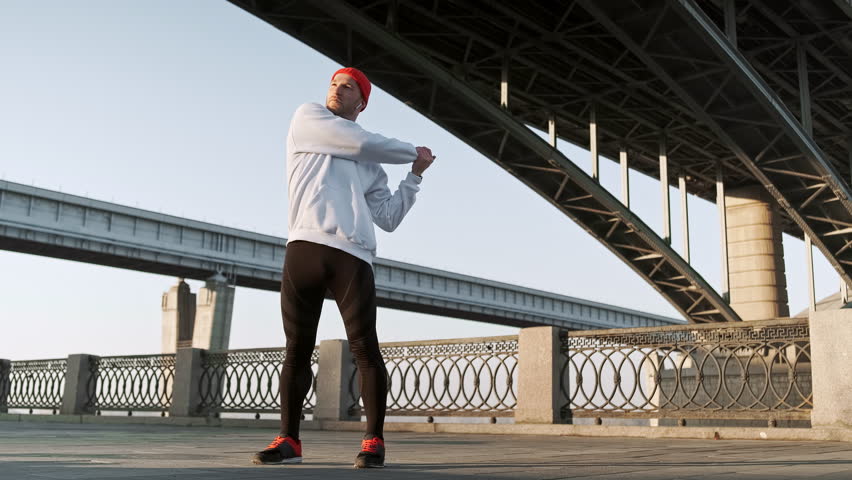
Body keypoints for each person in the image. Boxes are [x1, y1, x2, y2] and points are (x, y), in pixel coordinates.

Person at [251, 67, 435, 469]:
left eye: (347, 87)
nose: (337, 90)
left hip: (353, 255)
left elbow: (387, 216)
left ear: (362, 102)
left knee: (365, 348)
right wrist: (412, 151)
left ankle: (373, 442)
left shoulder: (371, 163)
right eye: (334, 84)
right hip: (304, 245)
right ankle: (289, 441)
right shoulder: (309, 118)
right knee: (297, 349)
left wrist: (414, 177)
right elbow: (359, 140)